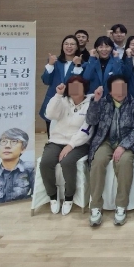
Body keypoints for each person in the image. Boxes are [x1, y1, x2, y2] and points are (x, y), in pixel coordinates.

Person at [86, 75, 134, 227]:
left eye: (123, 88)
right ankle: (96, 206)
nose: (120, 92)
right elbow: (91, 121)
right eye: (116, 89)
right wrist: (96, 101)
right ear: (110, 91)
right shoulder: (103, 103)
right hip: (105, 141)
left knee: (124, 162)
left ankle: (121, 206)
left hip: (127, 143)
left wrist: (123, 146)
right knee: (98, 161)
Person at [41, 75, 94, 215]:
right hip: (56, 141)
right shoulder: (63, 101)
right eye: (72, 86)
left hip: (79, 143)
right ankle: (52, 195)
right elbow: (49, 114)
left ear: (84, 88)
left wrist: (70, 145)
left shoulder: (90, 104)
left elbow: (86, 130)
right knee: (46, 162)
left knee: (67, 162)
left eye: (78, 86)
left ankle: (69, 196)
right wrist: (58, 95)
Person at [39, 35, 84, 136]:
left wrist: (78, 65)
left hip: (71, 105)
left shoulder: (82, 63)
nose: (69, 46)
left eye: (72, 44)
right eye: (66, 44)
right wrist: (50, 64)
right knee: (51, 136)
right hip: (53, 103)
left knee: (68, 136)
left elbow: (78, 87)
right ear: (62, 46)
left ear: (77, 47)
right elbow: (46, 81)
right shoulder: (55, 62)